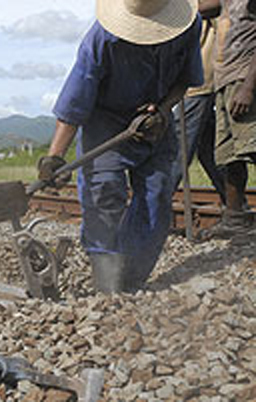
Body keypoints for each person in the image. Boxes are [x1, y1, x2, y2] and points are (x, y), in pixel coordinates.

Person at [37, 0, 203, 293]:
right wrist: (54, 157)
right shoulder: (101, 40)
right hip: (106, 123)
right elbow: (74, 105)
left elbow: (185, 80)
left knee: (157, 196)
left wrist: (163, 110)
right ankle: (106, 282)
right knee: (103, 195)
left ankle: (129, 279)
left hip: (156, 124)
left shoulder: (188, 27)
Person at [198, 0, 256, 239]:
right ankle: (235, 219)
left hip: (243, 79)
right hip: (223, 81)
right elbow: (197, 8)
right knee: (230, 156)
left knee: (252, 147)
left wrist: (249, 88)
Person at [170, 13, 225, 206]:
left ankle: (153, 208)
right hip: (197, 78)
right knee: (208, 150)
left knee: (179, 145)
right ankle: (235, 204)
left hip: (200, 79)